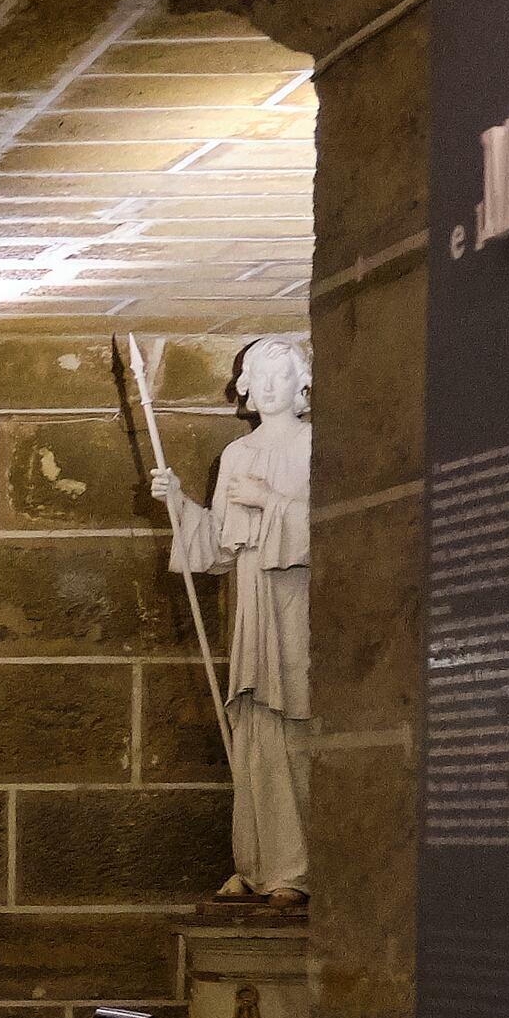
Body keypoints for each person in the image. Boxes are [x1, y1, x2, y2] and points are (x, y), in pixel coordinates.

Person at [151, 334, 314, 899]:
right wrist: (178, 505)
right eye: (258, 377)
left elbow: (341, 530)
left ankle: (297, 867)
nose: (268, 388)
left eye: (280, 376)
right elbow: (220, 549)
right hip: (252, 605)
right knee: (254, 723)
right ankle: (257, 860)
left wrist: (271, 501)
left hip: (298, 603)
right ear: (245, 388)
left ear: (302, 385)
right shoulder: (237, 457)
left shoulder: (318, 446)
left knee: (295, 720)